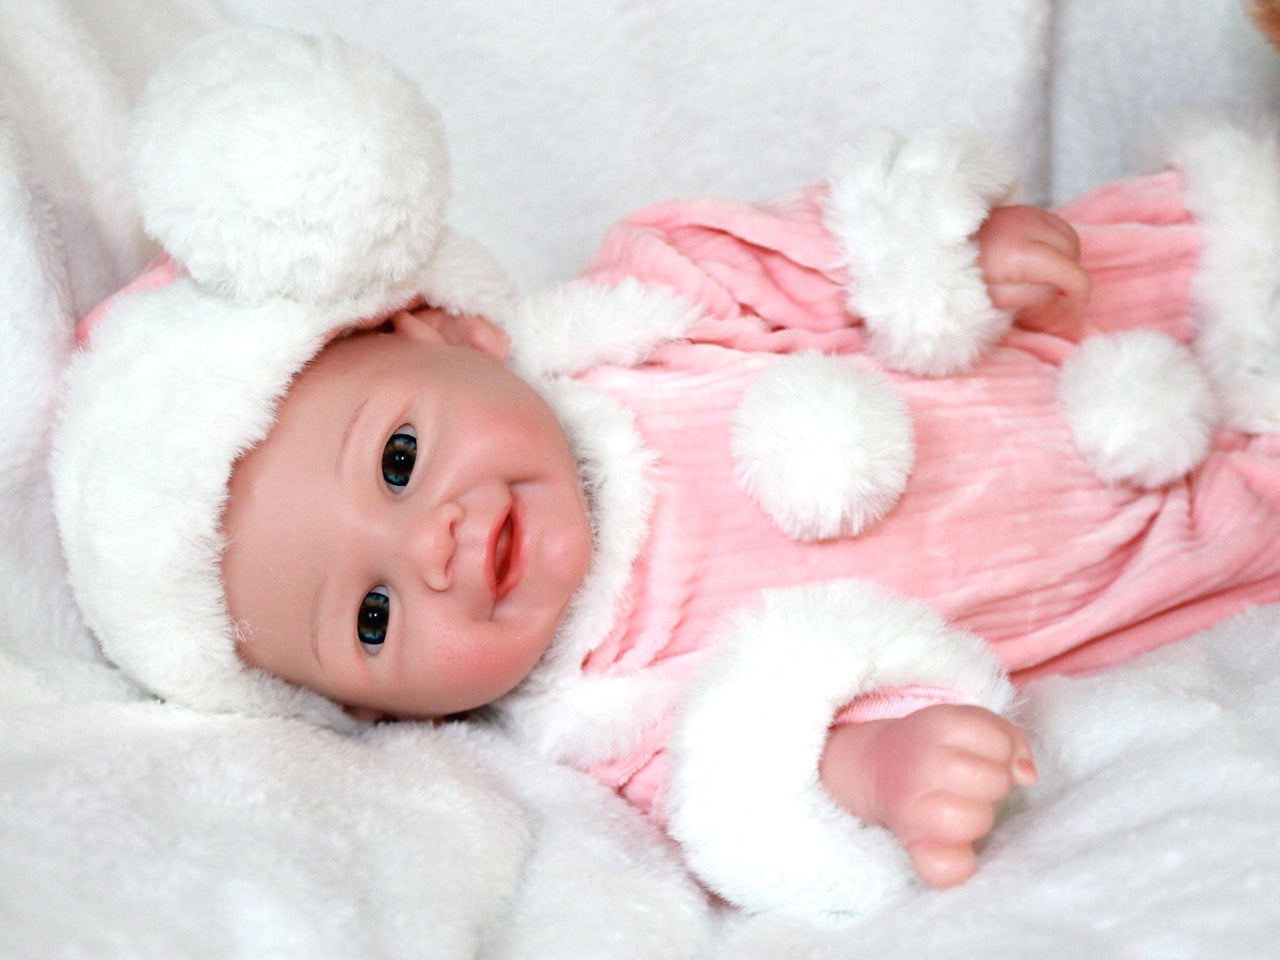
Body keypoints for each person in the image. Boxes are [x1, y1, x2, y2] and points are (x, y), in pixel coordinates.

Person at [53, 28, 1280, 921]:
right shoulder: (610, 710)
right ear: (386, 713)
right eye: (373, 617)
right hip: (1144, 552)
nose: (427, 545)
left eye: (399, 458)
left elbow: (819, 257)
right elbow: (756, 767)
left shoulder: (649, 309)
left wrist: (953, 254)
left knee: (1235, 251)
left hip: (1097, 316)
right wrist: (887, 768)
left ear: (446, 329)